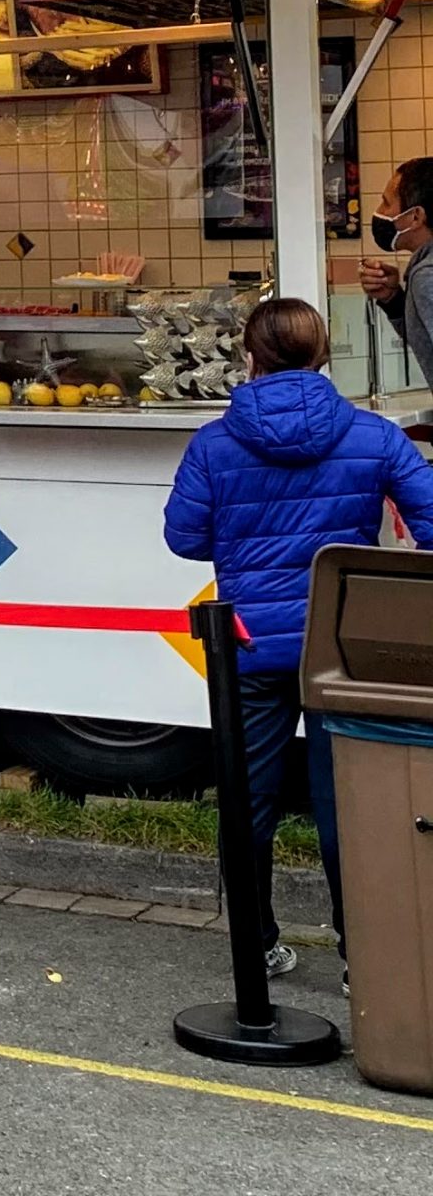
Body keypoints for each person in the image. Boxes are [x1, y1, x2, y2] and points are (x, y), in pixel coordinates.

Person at [162, 295, 433, 974]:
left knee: (247, 798)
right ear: (321, 354)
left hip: (249, 643)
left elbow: (184, 537)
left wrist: (247, 546)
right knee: (348, 803)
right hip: (343, 644)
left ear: (250, 358)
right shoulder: (373, 435)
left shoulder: (216, 442)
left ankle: (254, 949)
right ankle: (361, 956)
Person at [358, 156, 433, 379]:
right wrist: (393, 300)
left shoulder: (427, 275)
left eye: (387, 203)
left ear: (416, 216)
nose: (380, 211)